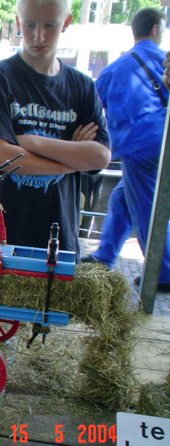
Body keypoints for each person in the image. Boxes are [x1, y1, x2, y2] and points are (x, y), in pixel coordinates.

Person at [0, 0, 111, 261]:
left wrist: (31, 143)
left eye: (49, 25)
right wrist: (71, 161)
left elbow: (100, 157)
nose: (39, 36)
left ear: (66, 23)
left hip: (60, 238)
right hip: (1, 239)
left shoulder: (82, 86)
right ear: (17, 23)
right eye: (29, 25)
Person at [84, 8, 170, 291]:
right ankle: (105, 255)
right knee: (123, 198)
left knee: (146, 207)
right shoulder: (163, 60)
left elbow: (89, 104)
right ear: (156, 30)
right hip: (162, 141)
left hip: (139, 145)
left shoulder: (114, 69)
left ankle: (163, 272)